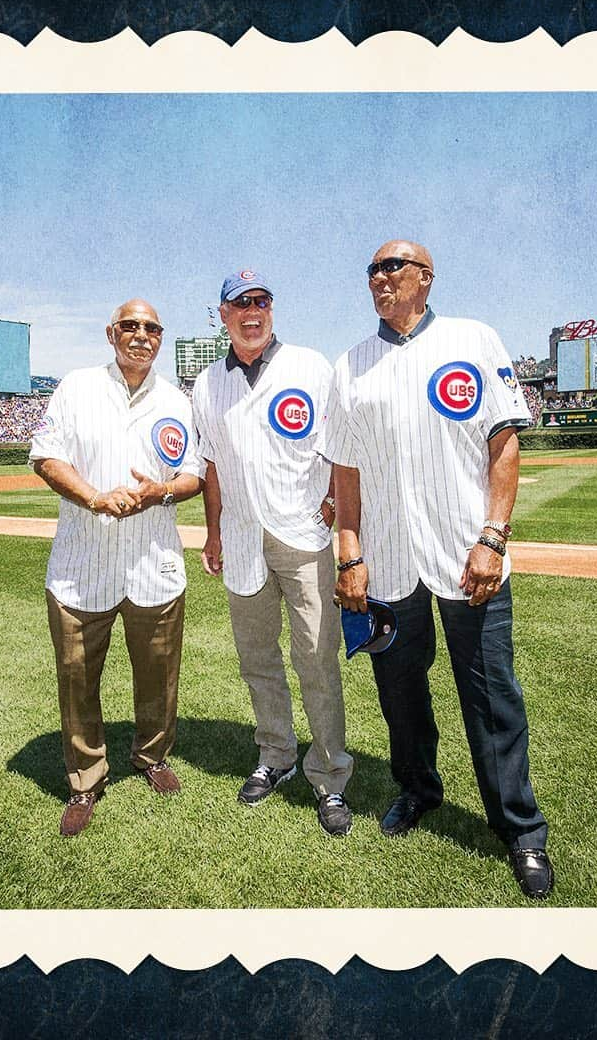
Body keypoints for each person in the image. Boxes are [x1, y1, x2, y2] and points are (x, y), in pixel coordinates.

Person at [323, 241, 554, 898]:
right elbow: (345, 471)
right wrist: (350, 555)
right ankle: (418, 791)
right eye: (370, 269)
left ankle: (521, 831)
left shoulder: (473, 339)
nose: (379, 277)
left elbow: (503, 442)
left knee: (491, 697)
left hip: (466, 558)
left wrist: (494, 536)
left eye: (393, 266)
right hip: (388, 564)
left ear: (425, 278)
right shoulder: (351, 366)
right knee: (401, 697)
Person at [30, 299, 203, 837]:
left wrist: (162, 491)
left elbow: (194, 474)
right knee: (78, 679)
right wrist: (94, 497)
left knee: (159, 676)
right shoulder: (77, 386)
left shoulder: (178, 399)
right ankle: (86, 777)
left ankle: (151, 756)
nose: (141, 335)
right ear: (111, 333)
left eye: (152, 328)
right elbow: (45, 456)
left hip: (154, 564)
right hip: (82, 566)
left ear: (160, 338)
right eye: (130, 326)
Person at [193, 269, 354, 837]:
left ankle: (330, 776)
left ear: (273, 309)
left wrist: (334, 500)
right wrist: (211, 533)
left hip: (304, 537)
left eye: (262, 301)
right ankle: (276, 754)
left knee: (316, 658)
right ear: (223, 315)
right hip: (240, 540)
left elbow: (340, 446)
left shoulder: (310, 366)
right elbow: (210, 466)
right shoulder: (206, 384)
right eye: (241, 304)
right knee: (257, 659)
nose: (252, 312)